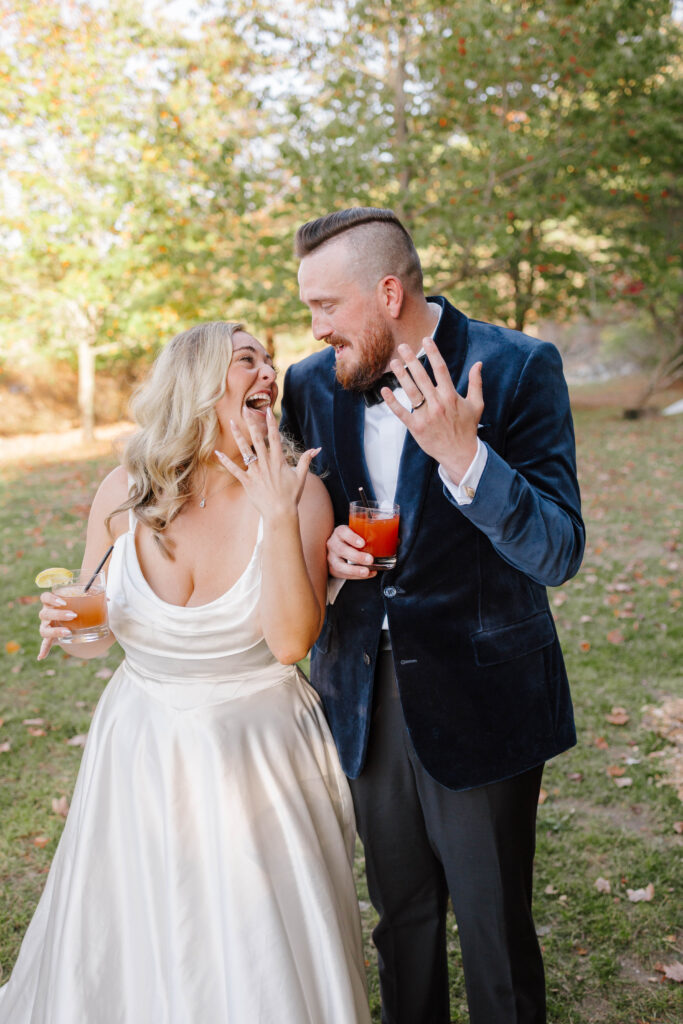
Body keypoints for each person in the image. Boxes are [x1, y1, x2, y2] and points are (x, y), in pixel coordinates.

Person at [0, 322, 371, 1024]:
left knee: (256, 942)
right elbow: (97, 631)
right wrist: (68, 624)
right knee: (138, 928)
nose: (268, 372)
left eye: (270, 360)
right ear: (197, 384)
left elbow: (293, 641)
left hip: (259, 755)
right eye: (246, 360)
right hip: (140, 748)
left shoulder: (302, 492)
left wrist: (276, 510)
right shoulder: (124, 490)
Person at [279, 207, 585, 1024]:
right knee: (400, 921)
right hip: (361, 697)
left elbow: (557, 551)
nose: (315, 328)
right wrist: (326, 550)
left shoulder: (518, 367)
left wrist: (464, 455)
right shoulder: (309, 386)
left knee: (493, 933)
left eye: (325, 307)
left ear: (386, 293)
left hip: (484, 696)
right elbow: (288, 521)